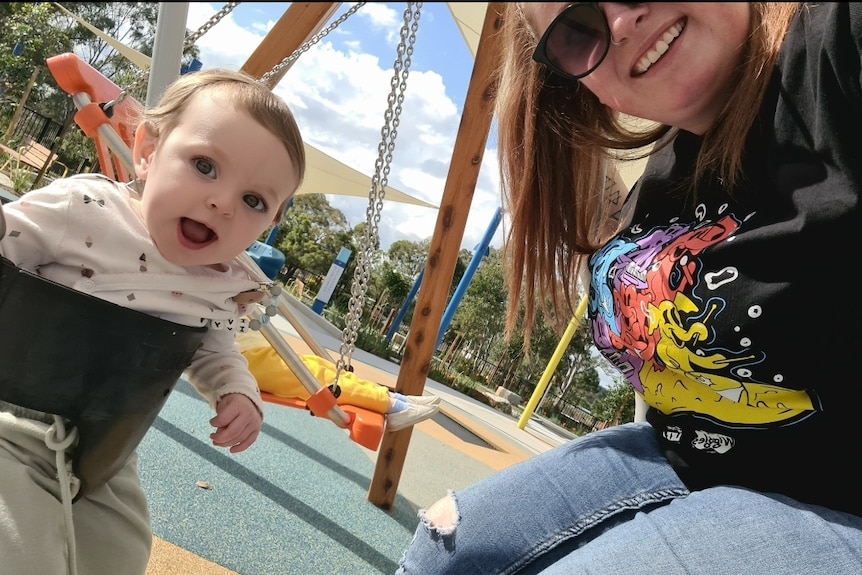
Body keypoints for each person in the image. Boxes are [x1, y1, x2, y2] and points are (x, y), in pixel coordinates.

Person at [396, 3, 862, 574]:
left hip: (840, 501)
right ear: (589, 90)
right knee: (445, 551)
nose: (619, 23)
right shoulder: (660, 183)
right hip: (683, 457)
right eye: (577, 31)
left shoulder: (838, 46)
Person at [0, 68, 305, 574]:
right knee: (21, 547)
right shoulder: (86, 209)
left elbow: (214, 348)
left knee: (120, 550)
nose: (223, 203)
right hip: (14, 418)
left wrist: (237, 392)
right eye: (205, 165)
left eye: (254, 201)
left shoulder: (223, 285)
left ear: (268, 224)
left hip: (107, 446)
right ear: (147, 150)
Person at [237, 329, 441, 432]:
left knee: (317, 365)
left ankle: (393, 398)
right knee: (314, 377)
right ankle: (391, 405)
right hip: (236, 358)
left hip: (250, 345)